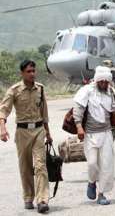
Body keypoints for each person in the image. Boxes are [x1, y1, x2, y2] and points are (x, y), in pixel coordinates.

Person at [0, 60, 52, 213]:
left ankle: (42, 199)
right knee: (25, 167)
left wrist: (48, 133)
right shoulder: (14, 90)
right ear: (22, 73)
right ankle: (28, 197)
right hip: (22, 132)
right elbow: (3, 110)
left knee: (41, 165)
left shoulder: (40, 89)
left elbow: (45, 114)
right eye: (29, 71)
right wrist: (2, 128)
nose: (32, 74)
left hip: (38, 130)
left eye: (34, 71)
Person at [74, 66, 115, 205]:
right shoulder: (87, 91)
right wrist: (79, 127)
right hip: (90, 134)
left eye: (106, 81)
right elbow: (78, 110)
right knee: (92, 163)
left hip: (107, 133)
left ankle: (101, 194)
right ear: (97, 80)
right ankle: (91, 182)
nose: (104, 83)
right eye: (101, 81)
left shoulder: (112, 92)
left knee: (106, 164)